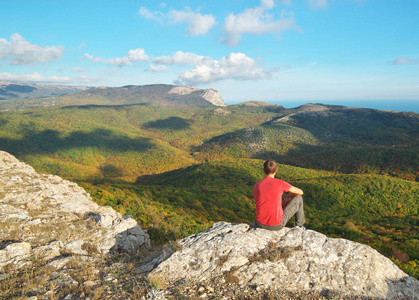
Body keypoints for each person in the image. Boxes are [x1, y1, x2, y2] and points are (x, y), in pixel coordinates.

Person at [253, 159, 305, 231]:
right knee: (298, 198)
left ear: (263, 170)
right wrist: (288, 196)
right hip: (276, 225)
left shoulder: (256, 186)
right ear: (276, 170)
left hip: (259, 224)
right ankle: (299, 226)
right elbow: (300, 192)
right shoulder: (280, 183)